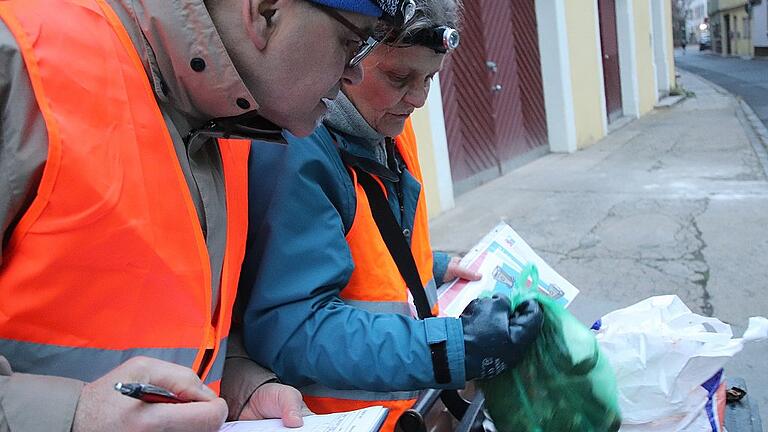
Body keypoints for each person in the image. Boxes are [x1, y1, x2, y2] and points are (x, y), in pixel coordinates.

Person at [0, 0, 415, 430]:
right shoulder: (21, 59)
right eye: (351, 42)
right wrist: (76, 415)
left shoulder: (229, 118)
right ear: (264, 13)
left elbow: (171, 324)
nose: (354, 73)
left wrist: (238, 385)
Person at [239, 1, 543, 429]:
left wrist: (434, 266)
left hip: (408, 408)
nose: (418, 99)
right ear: (347, 54)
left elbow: (362, 240)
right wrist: (455, 347)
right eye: (399, 77)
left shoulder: (385, 125)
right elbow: (292, 329)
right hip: (344, 418)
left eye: (430, 78)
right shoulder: (294, 153)